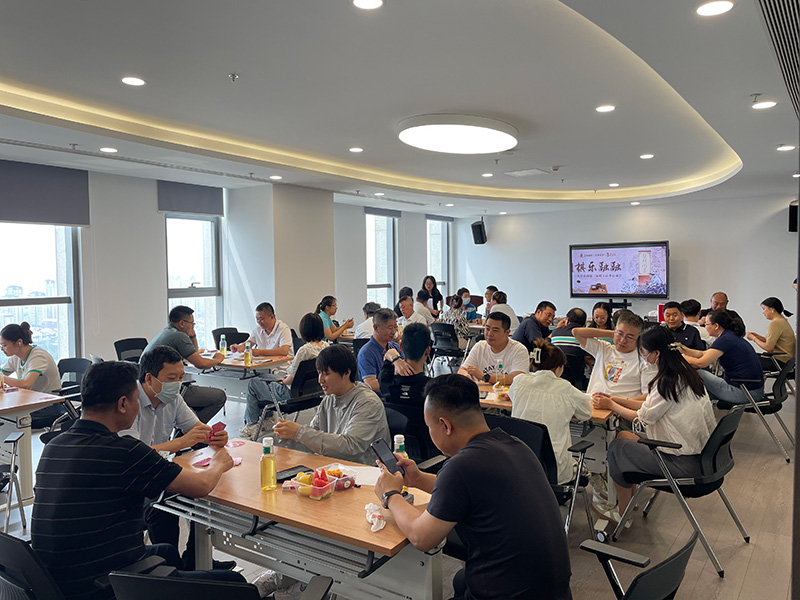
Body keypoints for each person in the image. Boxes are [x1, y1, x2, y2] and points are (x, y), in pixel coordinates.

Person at [31, 361, 243, 600]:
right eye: (136, 400)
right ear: (123, 404)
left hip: (55, 582)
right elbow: (200, 486)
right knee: (236, 584)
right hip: (102, 587)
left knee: (166, 552)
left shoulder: (54, 445)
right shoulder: (125, 451)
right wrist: (219, 463)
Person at [373, 374, 572, 600]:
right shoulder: (515, 445)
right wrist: (418, 479)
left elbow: (421, 537)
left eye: (429, 426)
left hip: (506, 594)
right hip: (554, 591)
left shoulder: (461, 467)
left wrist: (390, 494)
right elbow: (469, 491)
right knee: (461, 581)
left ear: (445, 425)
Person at [118, 346, 234, 572]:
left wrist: (214, 436)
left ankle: (196, 559)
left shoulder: (172, 398)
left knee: (204, 491)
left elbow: (197, 429)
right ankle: (171, 568)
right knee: (163, 505)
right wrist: (181, 442)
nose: (177, 384)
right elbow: (133, 455)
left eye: (181, 377)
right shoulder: (130, 403)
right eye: (171, 378)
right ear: (149, 379)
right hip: (134, 480)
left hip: (159, 469)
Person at [595, 326, 716, 519]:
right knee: (623, 436)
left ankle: (623, 513)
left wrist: (611, 405)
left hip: (682, 463)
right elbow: (650, 405)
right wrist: (616, 399)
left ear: (656, 353)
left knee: (616, 449)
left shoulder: (667, 381)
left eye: (644, 352)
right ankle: (631, 504)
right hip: (703, 458)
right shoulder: (685, 373)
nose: (643, 357)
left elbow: (641, 418)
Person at [273, 344, 390, 465]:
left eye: (326, 374)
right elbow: (313, 435)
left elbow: (351, 447)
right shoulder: (329, 399)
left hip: (364, 470)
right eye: (319, 373)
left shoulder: (368, 403)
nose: (320, 380)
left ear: (347, 373)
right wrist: (289, 435)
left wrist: (300, 433)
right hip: (335, 465)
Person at [508, 339, 592, 485]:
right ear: (558, 367)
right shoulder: (565, 388)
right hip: (553, 469)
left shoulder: (519, 381)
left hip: (519, 465)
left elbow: (512, 397)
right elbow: (586, 413)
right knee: (585, 471)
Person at [239, 313, 330, 438]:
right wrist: (283, 378)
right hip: (313, 391)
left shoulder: (304, 350)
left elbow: (290, 380)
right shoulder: (326, 347)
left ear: (304, 330)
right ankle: (267, 420)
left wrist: (282, 381)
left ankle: (252, 425)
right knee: (264, 377)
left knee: (253, 384)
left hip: (291, 394)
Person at [144, 306, 226, 423]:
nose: (193, 326)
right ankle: (191, 426)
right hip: (166, 389)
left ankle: (187, 423)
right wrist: (218, 359)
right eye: (192, 323)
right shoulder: (179, 336)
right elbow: (201, 364)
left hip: (151, 387)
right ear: (182, 323)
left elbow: (194, 353)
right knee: (219, 396)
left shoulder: (167, 331)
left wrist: (193, 336)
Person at [680, 310, 763, 405]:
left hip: (745, 393)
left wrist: (681, 358)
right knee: (700, 392)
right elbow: (704, 354)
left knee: (698, 374)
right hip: (750, 390)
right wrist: (683, 349)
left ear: (716, 326)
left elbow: (701, 363)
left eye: (706, 324)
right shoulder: (729, 336)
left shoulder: (725, 339)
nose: (705, 327)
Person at [572, 311, 655, 406]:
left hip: (621, 409)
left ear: (639, 339)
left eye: (629, 337)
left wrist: (615, 404)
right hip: (592, 404)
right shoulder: (604, 348)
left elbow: (648, 395)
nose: (623, 340)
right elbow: (576, 332)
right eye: (620, 334)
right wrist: (613, 334)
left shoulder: (644, 360)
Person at [0, 322, 63, 426]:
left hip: (47, 405)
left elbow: (26, 384)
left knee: (8, 418)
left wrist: (2, 378)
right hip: (29, 401)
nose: (2, 349)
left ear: (19, 342)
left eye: (4, 345)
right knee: (6, 418)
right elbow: (2, 372)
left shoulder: (38, 356)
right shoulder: (16, 357)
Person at [458, 312, 529, 385]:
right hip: (483, 391)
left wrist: (485, 377)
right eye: (487, 329)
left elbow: (516, 378)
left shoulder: (519, 350)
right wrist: (466, 376)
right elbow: (462, 370)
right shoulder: (479, 347)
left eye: (495, 330)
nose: (489, 334)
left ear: (507, 333)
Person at [379, 323, 431, 406]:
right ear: (428, 350)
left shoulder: (387, 381)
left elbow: (388, 354)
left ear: (401, 347)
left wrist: (396, 360)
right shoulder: (432, 389)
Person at [357, 308, 403, 393]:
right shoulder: (366, 352)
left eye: (395, 327)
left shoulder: (395, 347)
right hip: (376, 398)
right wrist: (395, 387)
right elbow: (371, 383)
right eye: (390, 328)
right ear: (376, 328)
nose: (394, 332)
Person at [746, 297, 795, 369]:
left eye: (764, 309)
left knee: (745, 359)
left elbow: (769, 348)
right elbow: (772, 342)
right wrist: (758, 337)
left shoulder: (775, 323)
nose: (763, 312)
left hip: (778, 362)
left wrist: (754, 338)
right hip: (786, 361)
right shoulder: (782, 321)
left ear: (772, 309)